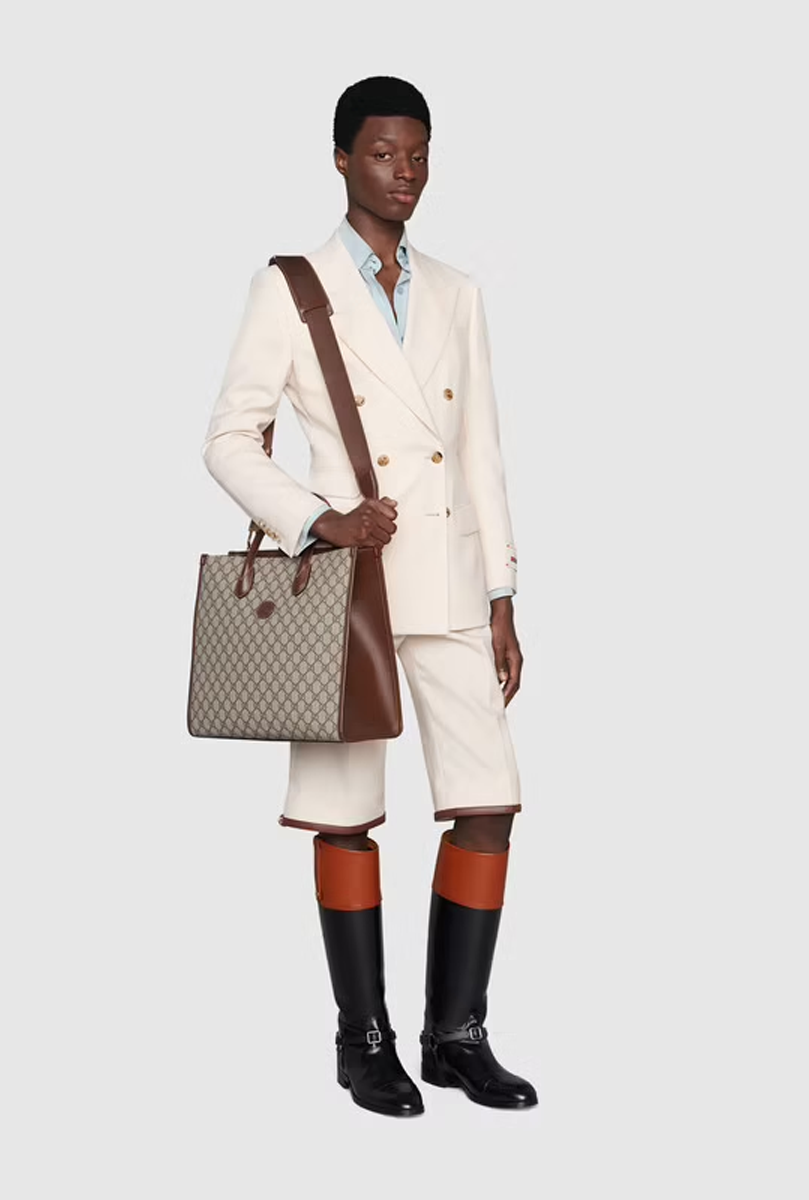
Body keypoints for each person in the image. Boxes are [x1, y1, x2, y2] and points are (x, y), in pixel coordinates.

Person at [202, 76, 537, 1116]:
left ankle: (457, 1035)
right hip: (347, 592)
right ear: (343, 158)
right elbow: (228, 439)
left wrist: (503, 593)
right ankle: (365, 1040)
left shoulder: (458, 290)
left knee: (488, 804)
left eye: (420, 153)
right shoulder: (292, 286)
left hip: (451, 580)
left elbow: (480, 451)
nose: (406, 172)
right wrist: (320, 519)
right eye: (385, 153)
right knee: (346, 816)